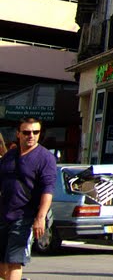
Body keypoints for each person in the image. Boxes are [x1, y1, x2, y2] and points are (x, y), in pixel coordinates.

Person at [0, 117, 57, 280]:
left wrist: (40, 218)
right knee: (3, 266)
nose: (31, 135)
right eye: (26, 132)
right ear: (18, 134)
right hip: (3, 215)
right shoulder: (10, 156)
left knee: (14, 262)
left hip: (25, 217)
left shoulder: (46, 158)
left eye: (35, 132)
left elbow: (48, 190)